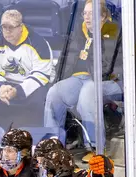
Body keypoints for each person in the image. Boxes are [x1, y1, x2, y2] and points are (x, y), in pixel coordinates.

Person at [43, 0, 122, 162]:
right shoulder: (80, 31)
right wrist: (59, 78)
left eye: (91, 14)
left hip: (109, 81)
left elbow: (106, 68)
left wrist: (95, 38)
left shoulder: (112, 31)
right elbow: (69, 57)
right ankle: (53, 142)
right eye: (85, 13)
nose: (86, 17)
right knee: (55, 93)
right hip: (80, 78)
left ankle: (96, 148)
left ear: (103, 16)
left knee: (87, 94)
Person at [0, 9, 53, 126]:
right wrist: (1, 87)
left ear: (21, 27)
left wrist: (18, 91)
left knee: (38, 100)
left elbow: (42, 76)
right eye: (4, 27)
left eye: (11, 27)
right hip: (7, 84)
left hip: (34, 85)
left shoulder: (39, 43)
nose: (7, 31)